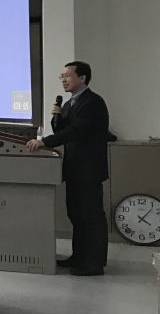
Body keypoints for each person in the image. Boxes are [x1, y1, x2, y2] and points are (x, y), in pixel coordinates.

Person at [26, 61, 110, 276]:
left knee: (90, 217)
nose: (63, 79)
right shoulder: (69, 103)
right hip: (75, 169)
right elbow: (63, 130)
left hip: (89, 170)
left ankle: (93, 264)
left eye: (68, 75)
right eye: (61, 76)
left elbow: (76, 131)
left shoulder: (93, 102)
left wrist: (44, 142)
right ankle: (79, 256)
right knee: (76, 215)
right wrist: (56, 116)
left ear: (82, 78)